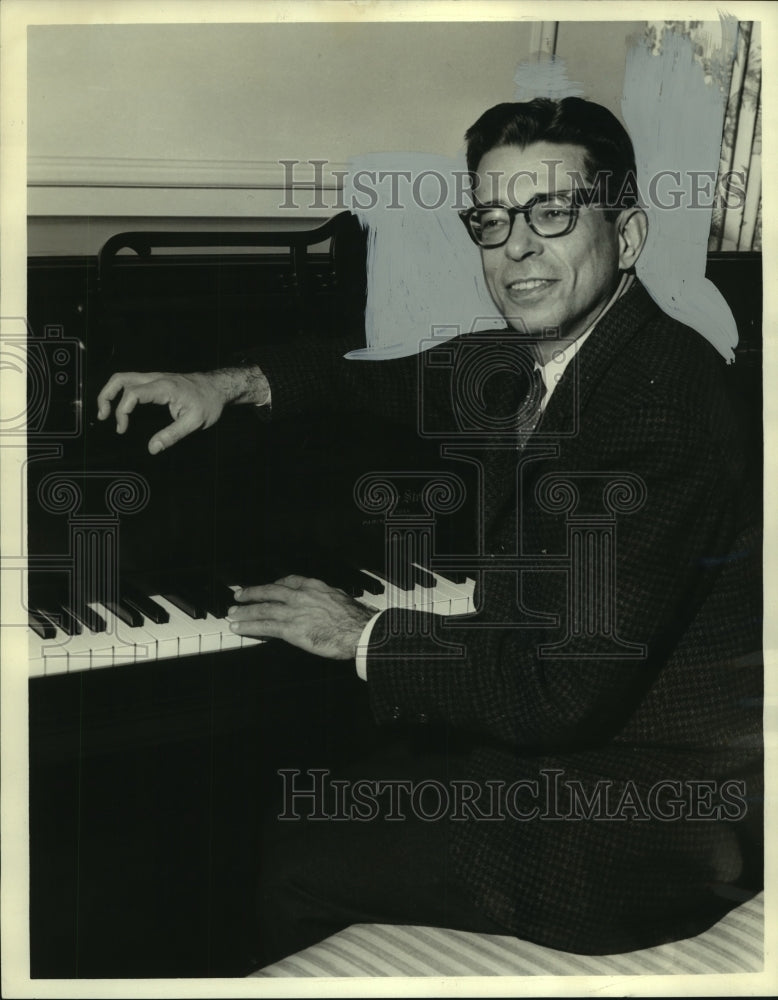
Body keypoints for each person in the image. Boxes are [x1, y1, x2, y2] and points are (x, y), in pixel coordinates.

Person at [96, 98, 762, 965]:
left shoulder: (659, 410)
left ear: (627, 233)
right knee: (326, 781)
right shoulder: (562, 359)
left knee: (295, 850)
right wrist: (230, 380)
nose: (516, 247)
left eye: (551, 213)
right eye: (492, 219)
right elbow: (389, 382)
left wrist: (361, 632)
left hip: (635, 822)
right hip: (574, 761)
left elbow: (558, 693)